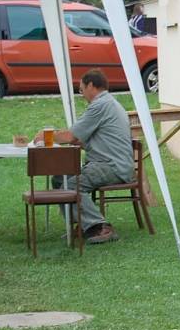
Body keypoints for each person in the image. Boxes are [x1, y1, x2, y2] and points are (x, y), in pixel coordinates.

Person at [33, 68, 134, 244]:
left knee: (72, 185)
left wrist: (46, 135)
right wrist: (81, 142)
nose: (81, 94)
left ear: (91, 85)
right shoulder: (109, 103)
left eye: (81, 89)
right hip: (112, 163)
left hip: (111, 166)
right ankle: (82, 224)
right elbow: (90, 138)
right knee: (59, 180)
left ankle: (100, 227)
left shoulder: (100, 105)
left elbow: (70, 136)